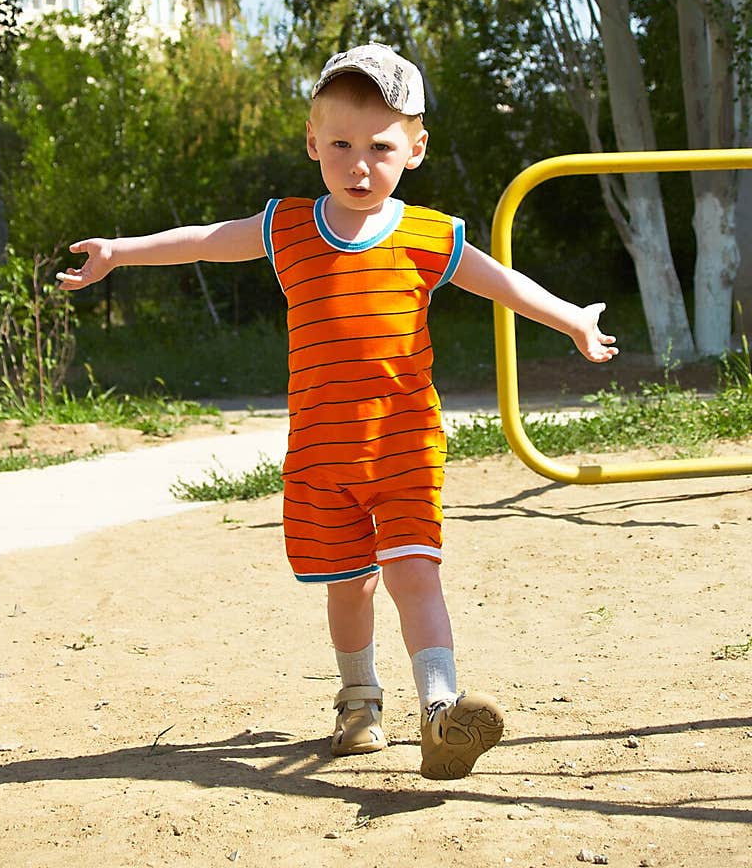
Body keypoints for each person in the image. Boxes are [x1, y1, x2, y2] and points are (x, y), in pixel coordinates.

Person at [57, 41, 618, 780]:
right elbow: (205, 239)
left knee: (415, 571)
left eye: (381, 146)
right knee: (349, 583)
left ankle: (442, 713)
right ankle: (359, 701)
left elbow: (503, 283)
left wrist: (572, 318)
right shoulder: (287, 226)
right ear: (313, 142)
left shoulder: (429, 236)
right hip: (322, 455)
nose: (360, 163)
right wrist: (122, 252)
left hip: (406, 445)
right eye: (342, 144)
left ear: (414, 148)